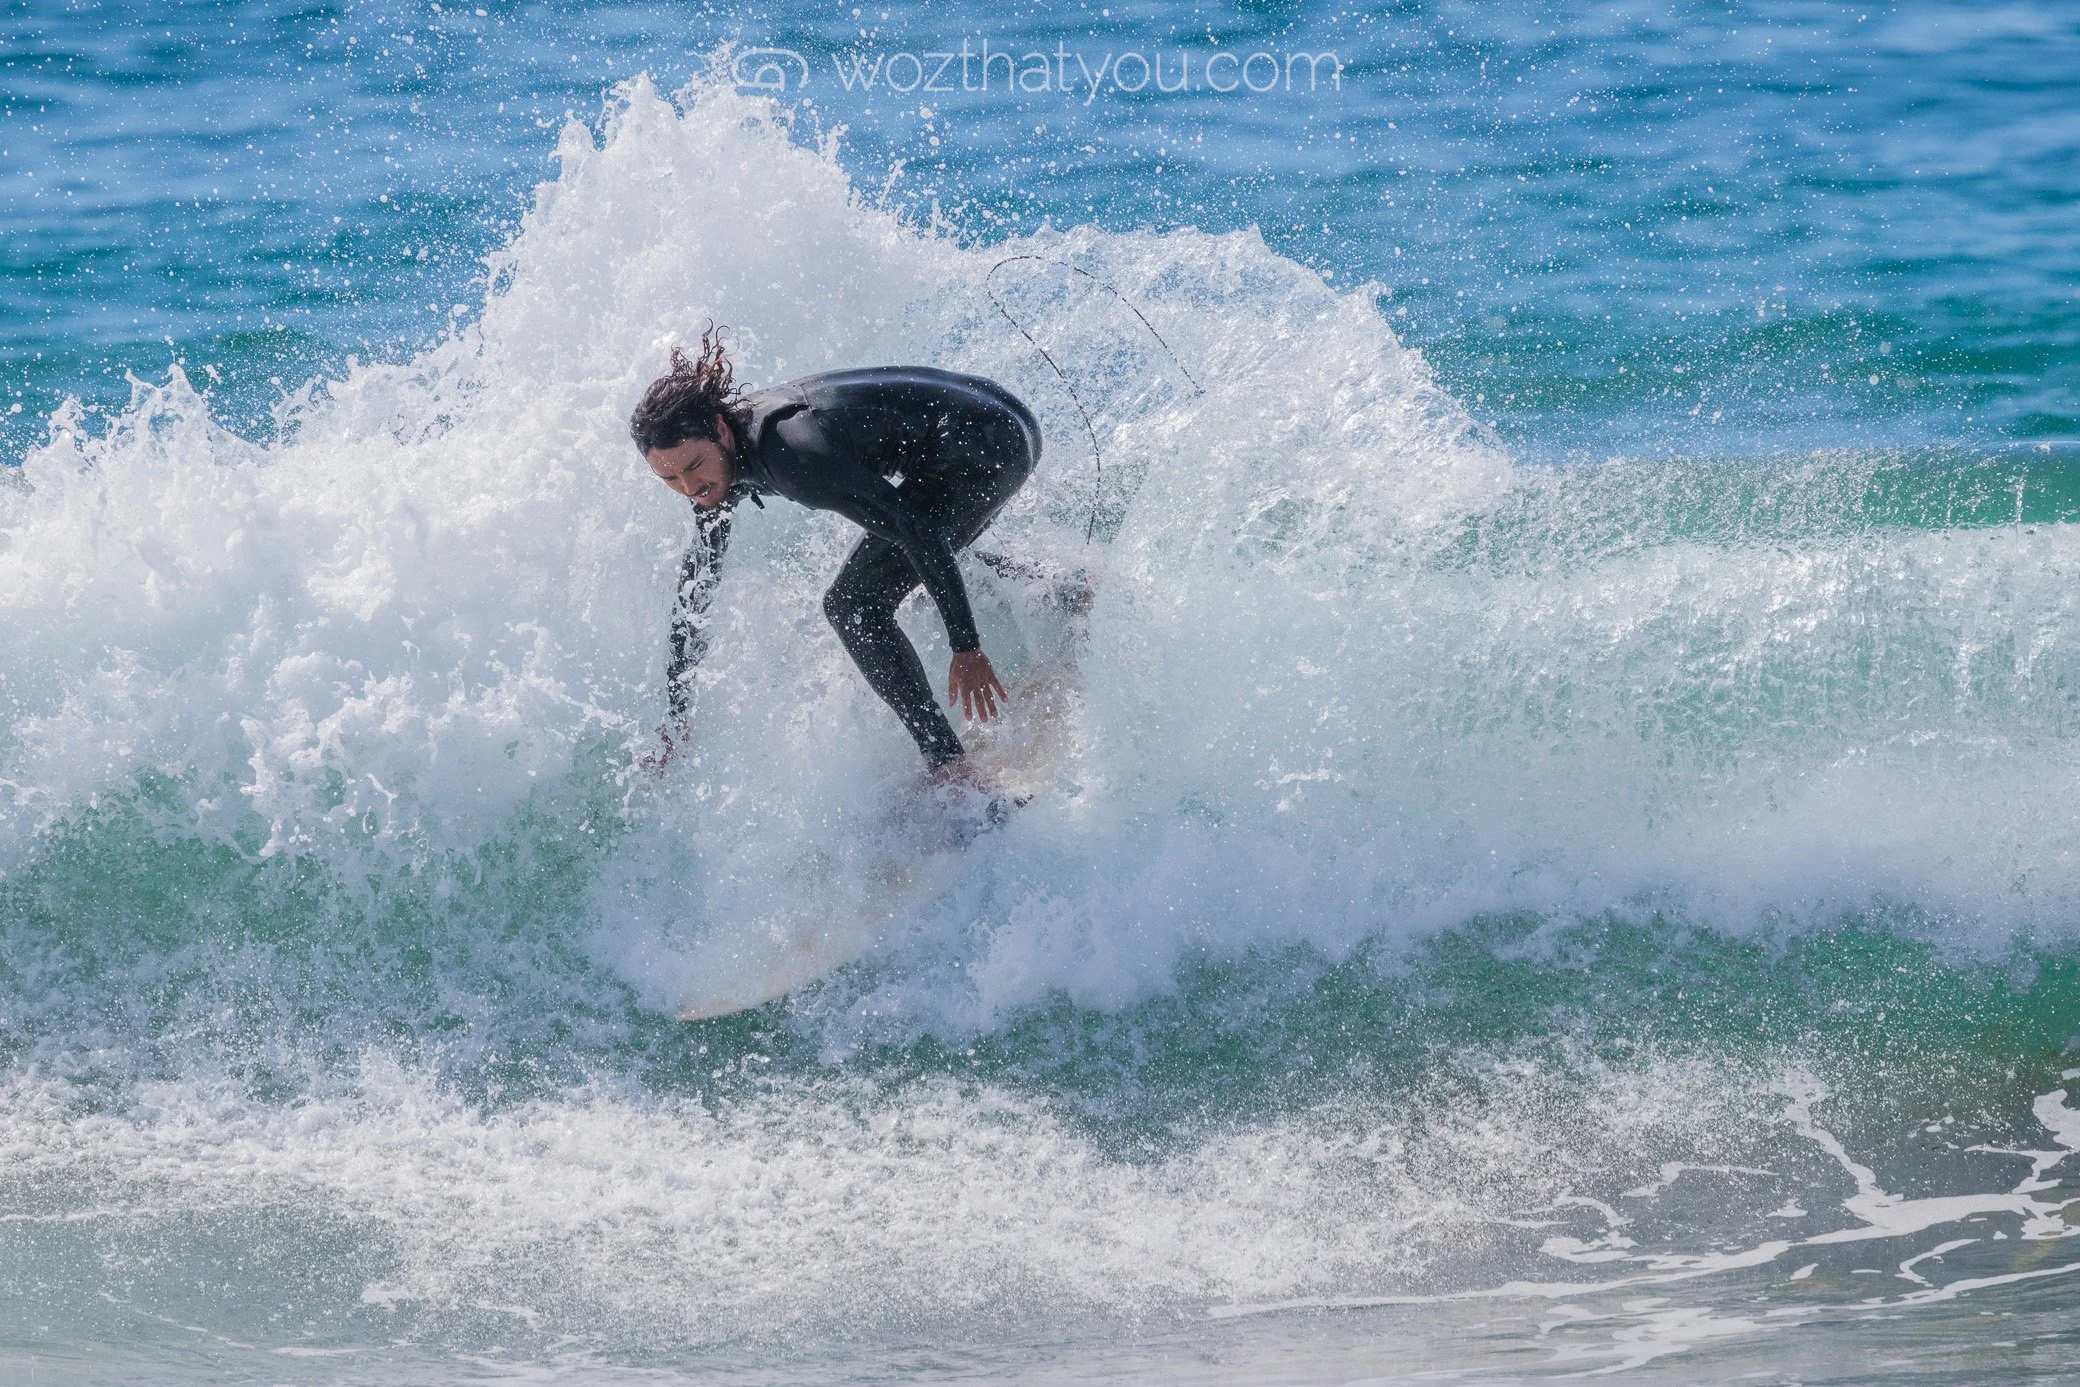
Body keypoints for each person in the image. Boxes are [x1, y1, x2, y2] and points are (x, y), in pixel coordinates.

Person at [630, 329, 1042, 783]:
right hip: (998, 413)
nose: (690, 489)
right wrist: (677, 711)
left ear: (721, 431)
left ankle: (951, 768)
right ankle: (1054, 590)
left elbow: (916, 529)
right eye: (670, 479)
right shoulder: (714, 470)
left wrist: (966, 647)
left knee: (853, 605)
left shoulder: (793, 455)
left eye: (692, 467)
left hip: (985, 445)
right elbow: (698, 581)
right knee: (896, 569)